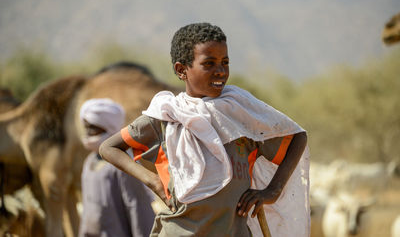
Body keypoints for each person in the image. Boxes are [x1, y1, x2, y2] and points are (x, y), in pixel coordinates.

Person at [99, 23, 310, 237]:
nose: (220, 71)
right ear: (182, 70)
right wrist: (151, 180)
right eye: (209, 63)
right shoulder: (166, 117)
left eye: (225, 62)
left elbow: (297, 137)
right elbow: (108, 147)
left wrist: (273, 190)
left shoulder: (241, 115)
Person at [78, 98, 155, 237]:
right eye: (86, 127)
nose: (88, 132)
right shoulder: (89, 162)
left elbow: (138, 208)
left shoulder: (123, 165)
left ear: (109, 128)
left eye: (93, 128)